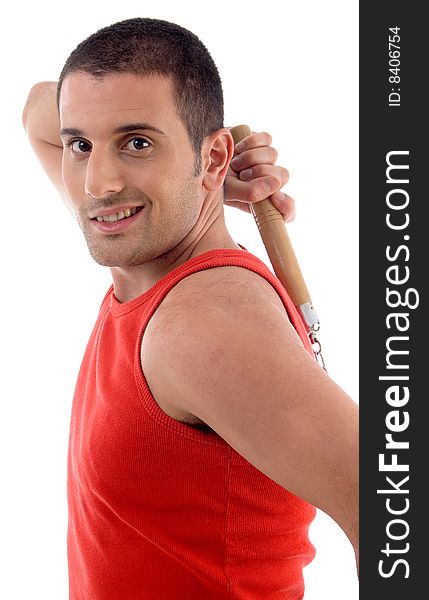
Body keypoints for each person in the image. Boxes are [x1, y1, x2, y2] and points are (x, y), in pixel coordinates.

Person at [22, 17, 358, 599]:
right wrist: (190, 169)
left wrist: (197, 167)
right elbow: (35, 110)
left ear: (213, 155)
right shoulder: (141, 259)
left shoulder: (201, 322)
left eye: (137, 143)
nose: (97, 182)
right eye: (81, 144)